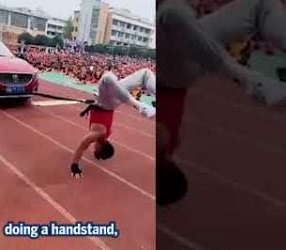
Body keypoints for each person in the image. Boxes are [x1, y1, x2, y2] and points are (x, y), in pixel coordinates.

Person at [156, 0, 286, 205]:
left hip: (183, 66)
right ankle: (253, 82)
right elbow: (160, 139)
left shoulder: (169, 145)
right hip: (169, 74)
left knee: (260, 6)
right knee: (170, 13)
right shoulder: (162, 145)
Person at [70, 68, 156, 178]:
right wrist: (74, 165)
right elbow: (82, 146)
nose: (93, 147)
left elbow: (101, 139)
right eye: (95, 149)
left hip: (114, 100)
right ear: (100, 147)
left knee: (145, 73)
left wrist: (98, 153)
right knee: (107, 78)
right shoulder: (97, 134)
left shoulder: (107, 133)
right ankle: (140, 106)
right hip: (107, 102)